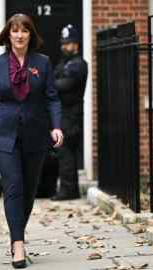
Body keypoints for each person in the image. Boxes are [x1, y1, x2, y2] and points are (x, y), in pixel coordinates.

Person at [0, 14, 63, 268]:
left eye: (24, 30)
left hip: (35, 135)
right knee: (13, 186)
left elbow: (52, 98)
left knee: (28, 191)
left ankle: (16, 236)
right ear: (8, 34)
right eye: (15, 30)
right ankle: (19, 245)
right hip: (4, 135)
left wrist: (56, 126)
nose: (20, 35)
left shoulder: (43, 63)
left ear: (30, 35)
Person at [52, 25, 88, 201]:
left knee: (66, 151)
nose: (64, 47)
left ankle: (67, 190)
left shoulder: (79, 64)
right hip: (63, 113)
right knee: (64, 152)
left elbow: (65, 85)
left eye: (68, 43)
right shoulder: (64, 63)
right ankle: (70, 189)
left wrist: (52, 84)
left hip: (71, 114)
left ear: (76, 44)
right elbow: (55, 79)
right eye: (63, 43)